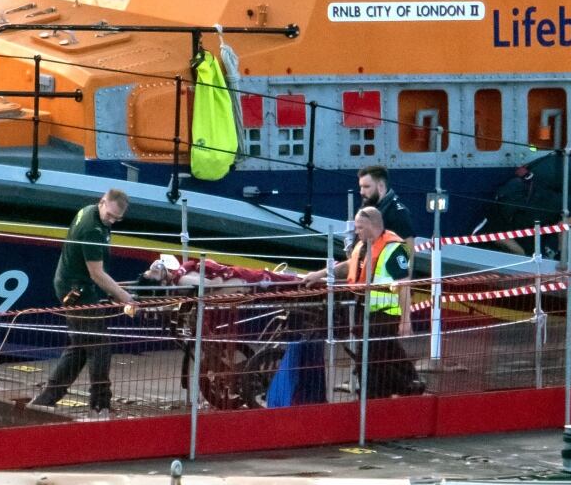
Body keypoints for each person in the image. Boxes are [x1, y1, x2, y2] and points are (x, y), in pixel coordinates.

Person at [30, 189, 138, 418]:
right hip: (77, 290)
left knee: (80, 346)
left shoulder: (88, 211)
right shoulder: (92, 229)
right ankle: (100, 402)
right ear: (102, 203)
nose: (112, 221)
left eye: (117, 219)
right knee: (99, 346)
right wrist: (124, 297)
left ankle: (47, 397)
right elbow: (97, 274)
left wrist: (113, 289)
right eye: (110, 216)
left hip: (73, 282)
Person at [304, 207, 422, 398]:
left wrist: (405, 320)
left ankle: (381, 394)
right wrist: (321, 274)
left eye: (359, 227)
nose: (356, 231)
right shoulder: (364, 245)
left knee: (368, 358)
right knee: (387, 352)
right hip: (365, 309)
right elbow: (350, 265)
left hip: (386, 312)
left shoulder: (393, 248)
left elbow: (404, 284)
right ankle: (410, 383)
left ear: (372, 225)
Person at [480, 146, 571, 257]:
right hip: (522, 206)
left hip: (506, 200)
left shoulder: (561, 158)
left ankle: (506, 238)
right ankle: (566, 257)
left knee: (527, 251)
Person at [136, 255, 300, 295]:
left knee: (276, 277)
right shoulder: (182, 279)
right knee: (278, 278)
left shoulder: (180, 278)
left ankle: (300, 278)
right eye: (154, 271)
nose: (156, 266)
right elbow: (212, 285)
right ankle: (304, 279)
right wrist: (216, 270)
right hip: (242, 280)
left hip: (240, 279)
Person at [357, 165, 415, 258]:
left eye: (366, 187)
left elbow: (408, 254)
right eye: (361, 187)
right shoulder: (369, 207)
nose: (361, 192)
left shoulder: (398, 214)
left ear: (381, 186)